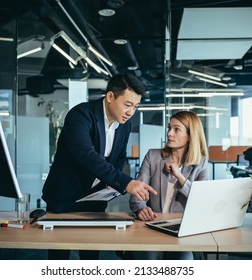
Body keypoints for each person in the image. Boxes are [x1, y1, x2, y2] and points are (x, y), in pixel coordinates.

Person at [42, 73, 157, 259]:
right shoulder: (80, 115)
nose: (131, 112)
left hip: (95, 197)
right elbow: (85, 155)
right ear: (110, 97)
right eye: (127, 105)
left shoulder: (124, 125)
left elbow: (119, 157)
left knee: (90, 254)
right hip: (65, 194)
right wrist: (125, 182)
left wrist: (112, 182)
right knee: (59, 256)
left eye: (135, 107)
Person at [129, 110, 209, 260]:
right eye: (169, 128)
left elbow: (202, 200)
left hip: (181, 229)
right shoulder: (153, 156)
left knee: (183, 261)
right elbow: (137, 191)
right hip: (151, 225)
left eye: (176, 129)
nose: (169, 133)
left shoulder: (201, 164)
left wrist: (180, 176)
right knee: (147, 259)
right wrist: (140, 208)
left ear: (191, 135)